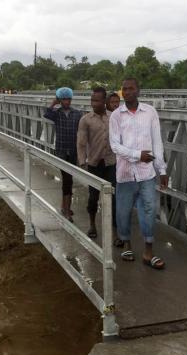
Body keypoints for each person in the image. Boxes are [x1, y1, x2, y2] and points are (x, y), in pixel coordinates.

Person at [109, 78, 168, 270]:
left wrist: (162, 169)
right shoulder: (116, 116)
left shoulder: (150, 112)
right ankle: (126, 244)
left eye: (131, 88)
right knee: (123, 211)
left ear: (138, 91)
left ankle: (148, 251)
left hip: (147, 173)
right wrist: (137, 155)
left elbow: (157, 141)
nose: (127, 92)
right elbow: (115, 145)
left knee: (149, 210)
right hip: (125, 173)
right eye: (124, 89)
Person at [77, 87, 121, 244]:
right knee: (93, 196)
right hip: (94, 163)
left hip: (111, 162)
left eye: (97, 100)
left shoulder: (114, 117)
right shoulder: (86, 119)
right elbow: (81, 143)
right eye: (92, 100)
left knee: (114, 198)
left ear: (104, 101)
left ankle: (115, 233)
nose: (94, 103)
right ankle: (92, 224)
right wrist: (82, 163)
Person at [44, 87, 82, 221]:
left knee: (68, 179)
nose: (66, 101)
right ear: (60, 100)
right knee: (67, 180)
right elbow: (46, 113)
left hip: (73, 151)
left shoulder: (77, 114)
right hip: (60, 151)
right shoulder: (56, 114)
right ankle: (66, 210)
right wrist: (54, 103)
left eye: (68, 99)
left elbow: (82, 131)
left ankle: (64, 206)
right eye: (63, 99)